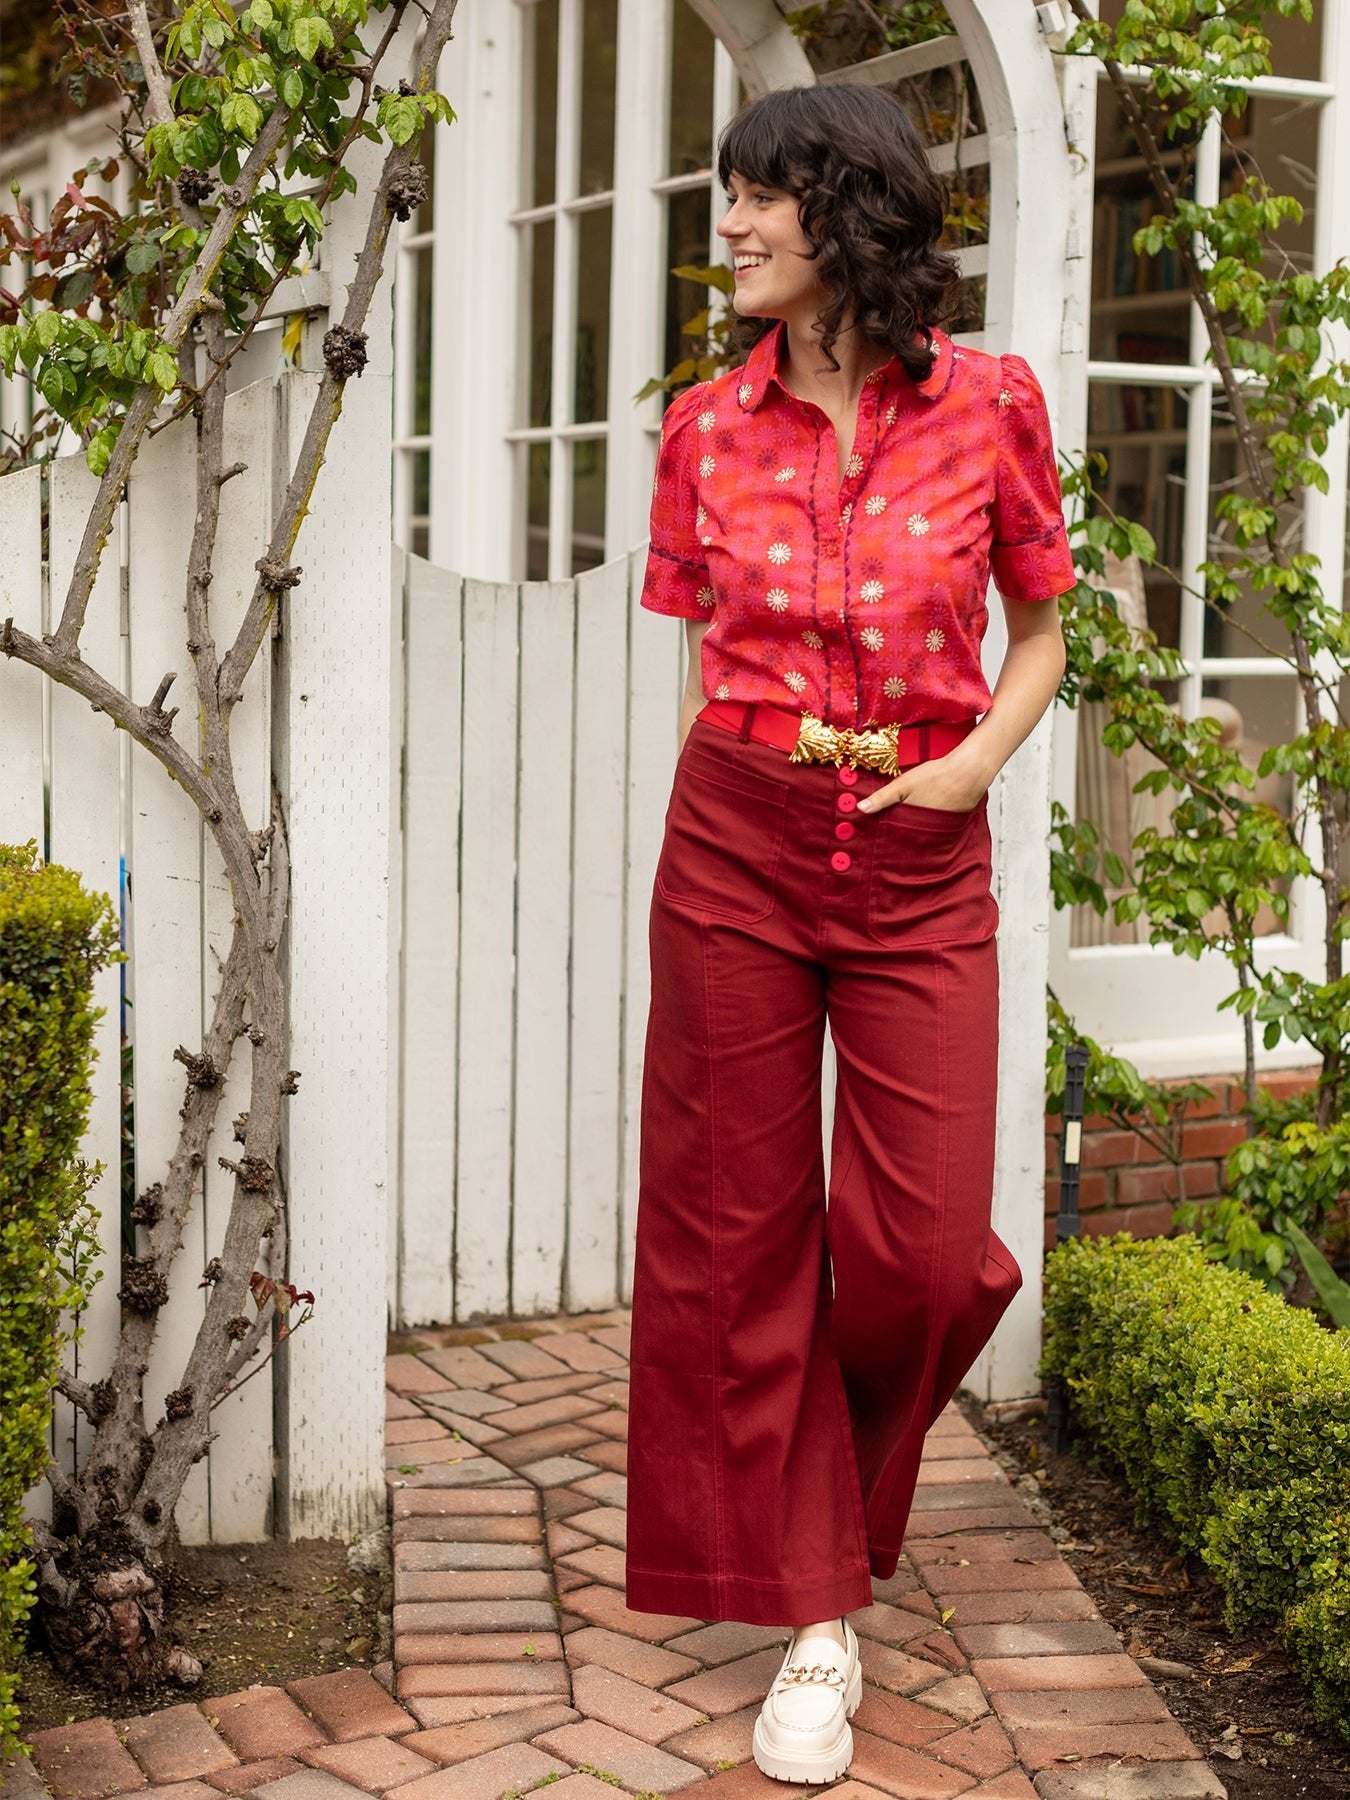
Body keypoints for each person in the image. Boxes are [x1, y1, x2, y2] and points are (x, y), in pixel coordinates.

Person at [624, 82, 1075, 1786]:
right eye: (727, 196)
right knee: (737, 1241)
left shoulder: (988, 407)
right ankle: (815, 1621)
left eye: (760, 199)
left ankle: (821, 1521)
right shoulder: (702, 428)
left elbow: (1039, 629)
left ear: (851, 215)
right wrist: (718, 809)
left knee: (918, 1245)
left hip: (917, 844)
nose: (729, 225)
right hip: (736, 837)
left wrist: (967, 768)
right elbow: (696, 657)